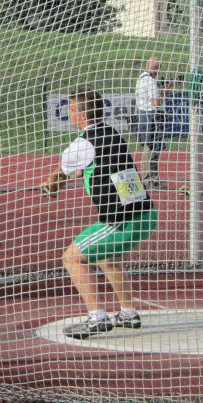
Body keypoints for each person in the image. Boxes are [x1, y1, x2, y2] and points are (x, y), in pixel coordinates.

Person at [40, 89, 158, 340]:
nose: (69, 113)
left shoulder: (81, 144)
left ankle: (97, 317)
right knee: (107, 257)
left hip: (121, 223)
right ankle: (127, 313)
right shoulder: (112, 133)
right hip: (146, 215)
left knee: (72, 258)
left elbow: (59, 175)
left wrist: (50, 187)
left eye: (71, 109)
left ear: (81, 114)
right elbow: (89, 168)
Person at [135, 56, 166, 187]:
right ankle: (151, 179)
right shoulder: (150, 82)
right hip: (152, 117)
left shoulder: (141, 79)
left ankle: (149, 178)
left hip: (143, 116)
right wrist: (165, 90)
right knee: (153, 148)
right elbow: (156, 102)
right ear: (156, 67)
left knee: (149, 147)